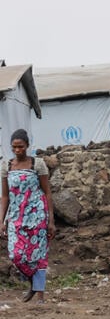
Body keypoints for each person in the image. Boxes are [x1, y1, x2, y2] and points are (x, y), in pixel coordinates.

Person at [0, 129, 55, 303]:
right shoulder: (6, 166)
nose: (17, 150)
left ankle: (40, 296)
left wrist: (51, 220)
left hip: (37, 215)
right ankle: (33, 284)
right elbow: (5, 196)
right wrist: (1, 220)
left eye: (20, 147)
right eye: (14, 147)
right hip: (16, 217)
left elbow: (47, 192)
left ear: (27, 146)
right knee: (16, 255)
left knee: (38, 256)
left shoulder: (37, 165)